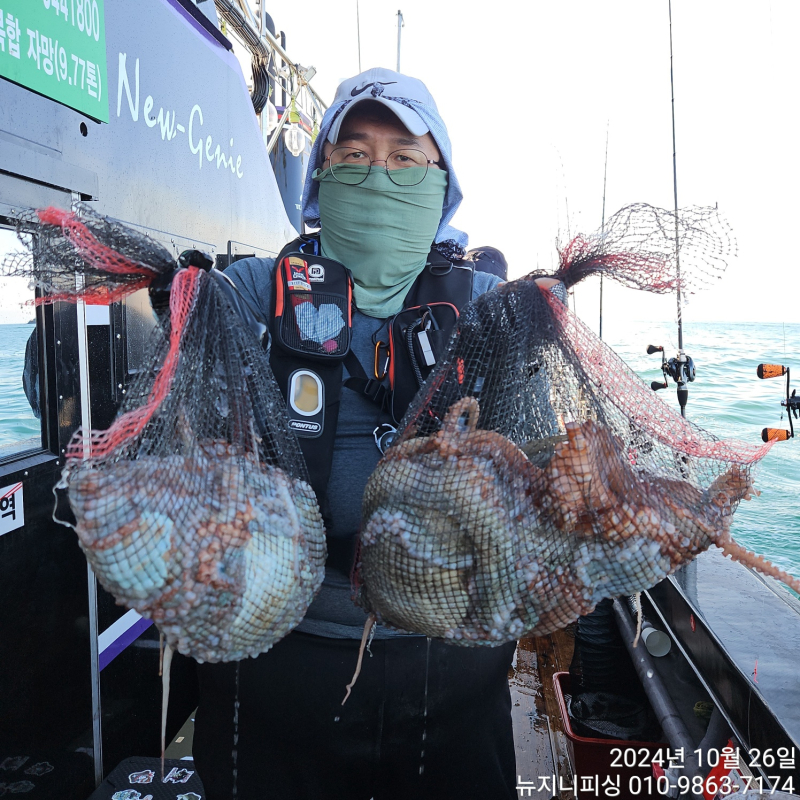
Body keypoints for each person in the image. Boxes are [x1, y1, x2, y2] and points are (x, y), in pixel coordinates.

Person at [193, 68, 558, 800]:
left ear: (442, 182)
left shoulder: (492, 310)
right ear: (322, 177)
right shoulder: (246, 293)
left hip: (450, 658)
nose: (378, 175)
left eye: (404, 159)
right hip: (277, 653)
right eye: (354, 156)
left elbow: (538, 480)